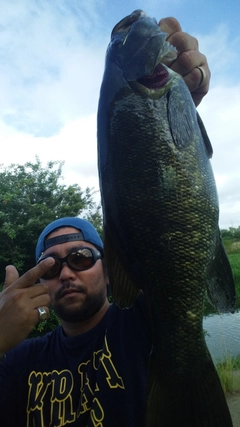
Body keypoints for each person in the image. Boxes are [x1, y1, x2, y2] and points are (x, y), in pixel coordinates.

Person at [0, 17, 211, 427]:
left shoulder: (145, 329)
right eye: (50, 264)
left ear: (111, 266)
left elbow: (160, 225)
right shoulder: (18, 361)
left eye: (80, 256)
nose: (65, 271)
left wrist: (168, 120)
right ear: (39, 281)